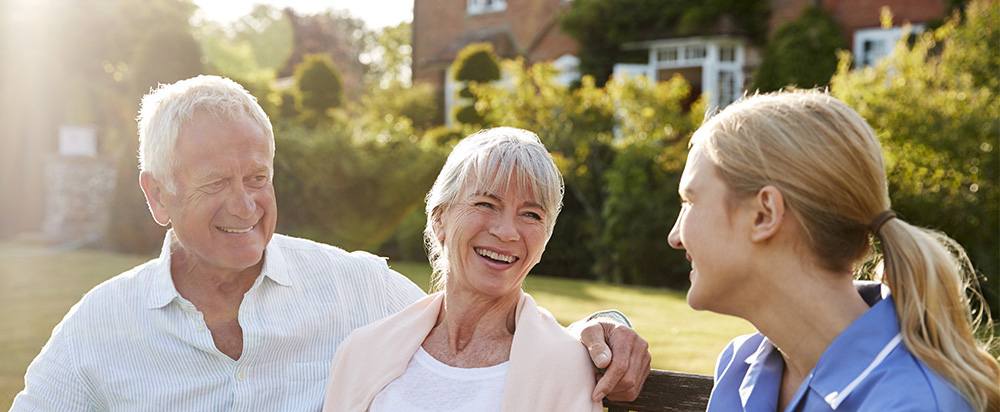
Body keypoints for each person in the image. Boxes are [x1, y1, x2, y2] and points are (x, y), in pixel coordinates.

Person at [10, 75, 649, 411]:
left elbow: (480, 318)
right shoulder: (99, 328)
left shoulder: (353, 289)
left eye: (258, 177)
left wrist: (604, 323)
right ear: (157, 196)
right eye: (214, 184)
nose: (245, 204)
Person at [667, 90, 999, 411]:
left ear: (764, 214)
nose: (675, 236)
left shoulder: (914, 402)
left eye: (689, 201)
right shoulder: (740, 365)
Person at [323, 127, 615, 411]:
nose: (507, 232)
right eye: (486, 204)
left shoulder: (566, 367)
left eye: (531, 214)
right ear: (439, 219)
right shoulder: (363, 351)